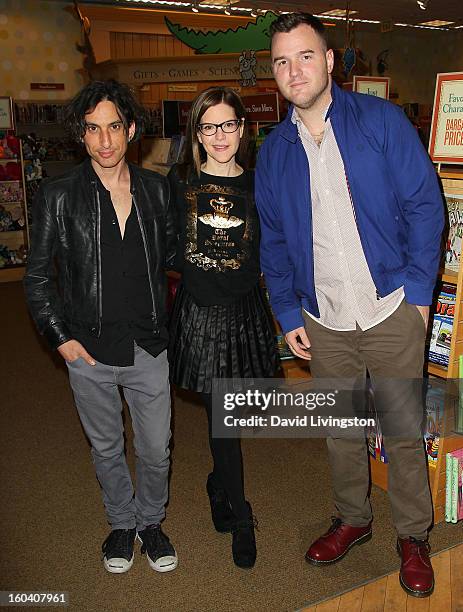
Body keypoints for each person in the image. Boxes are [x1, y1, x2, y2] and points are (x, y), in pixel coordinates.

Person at [255, 13, 444, 598]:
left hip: (391, 309)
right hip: (324, 319)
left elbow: (424, 206)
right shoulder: (274, 153)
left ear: (330, 60)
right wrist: (287, 314)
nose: (295, 70)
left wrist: (417, 296)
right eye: (283, 61)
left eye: (305, 56)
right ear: (275, 73)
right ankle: (354, 518)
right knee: (339, 427)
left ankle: (413, 535)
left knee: (403, 428)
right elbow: (275, 241)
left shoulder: (380, 122)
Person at [24, 80, 178, 575]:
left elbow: (180, 258)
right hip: (86, 349)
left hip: (148, 345)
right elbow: (37, 275)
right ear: (81, 136)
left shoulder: (157, 191)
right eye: (93, 130)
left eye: (114, 127)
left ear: (131, 130)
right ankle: (120, 522)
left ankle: (150, 523)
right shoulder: (59, 195)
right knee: (107, 446)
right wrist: (59, 338)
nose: (105, 141)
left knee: (156, 448)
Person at [167, 86, 277, 569]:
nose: (218, 135)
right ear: (196, 132)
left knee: (234, 415)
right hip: (199, 316)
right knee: (224, 420)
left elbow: (275, 246)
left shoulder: (258, 184)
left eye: (227, 124)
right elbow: (164, 246)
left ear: (242, 128)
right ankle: (240, 513)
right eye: (208, 126)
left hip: (244, 313)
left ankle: (217, 482)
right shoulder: (177, 182)